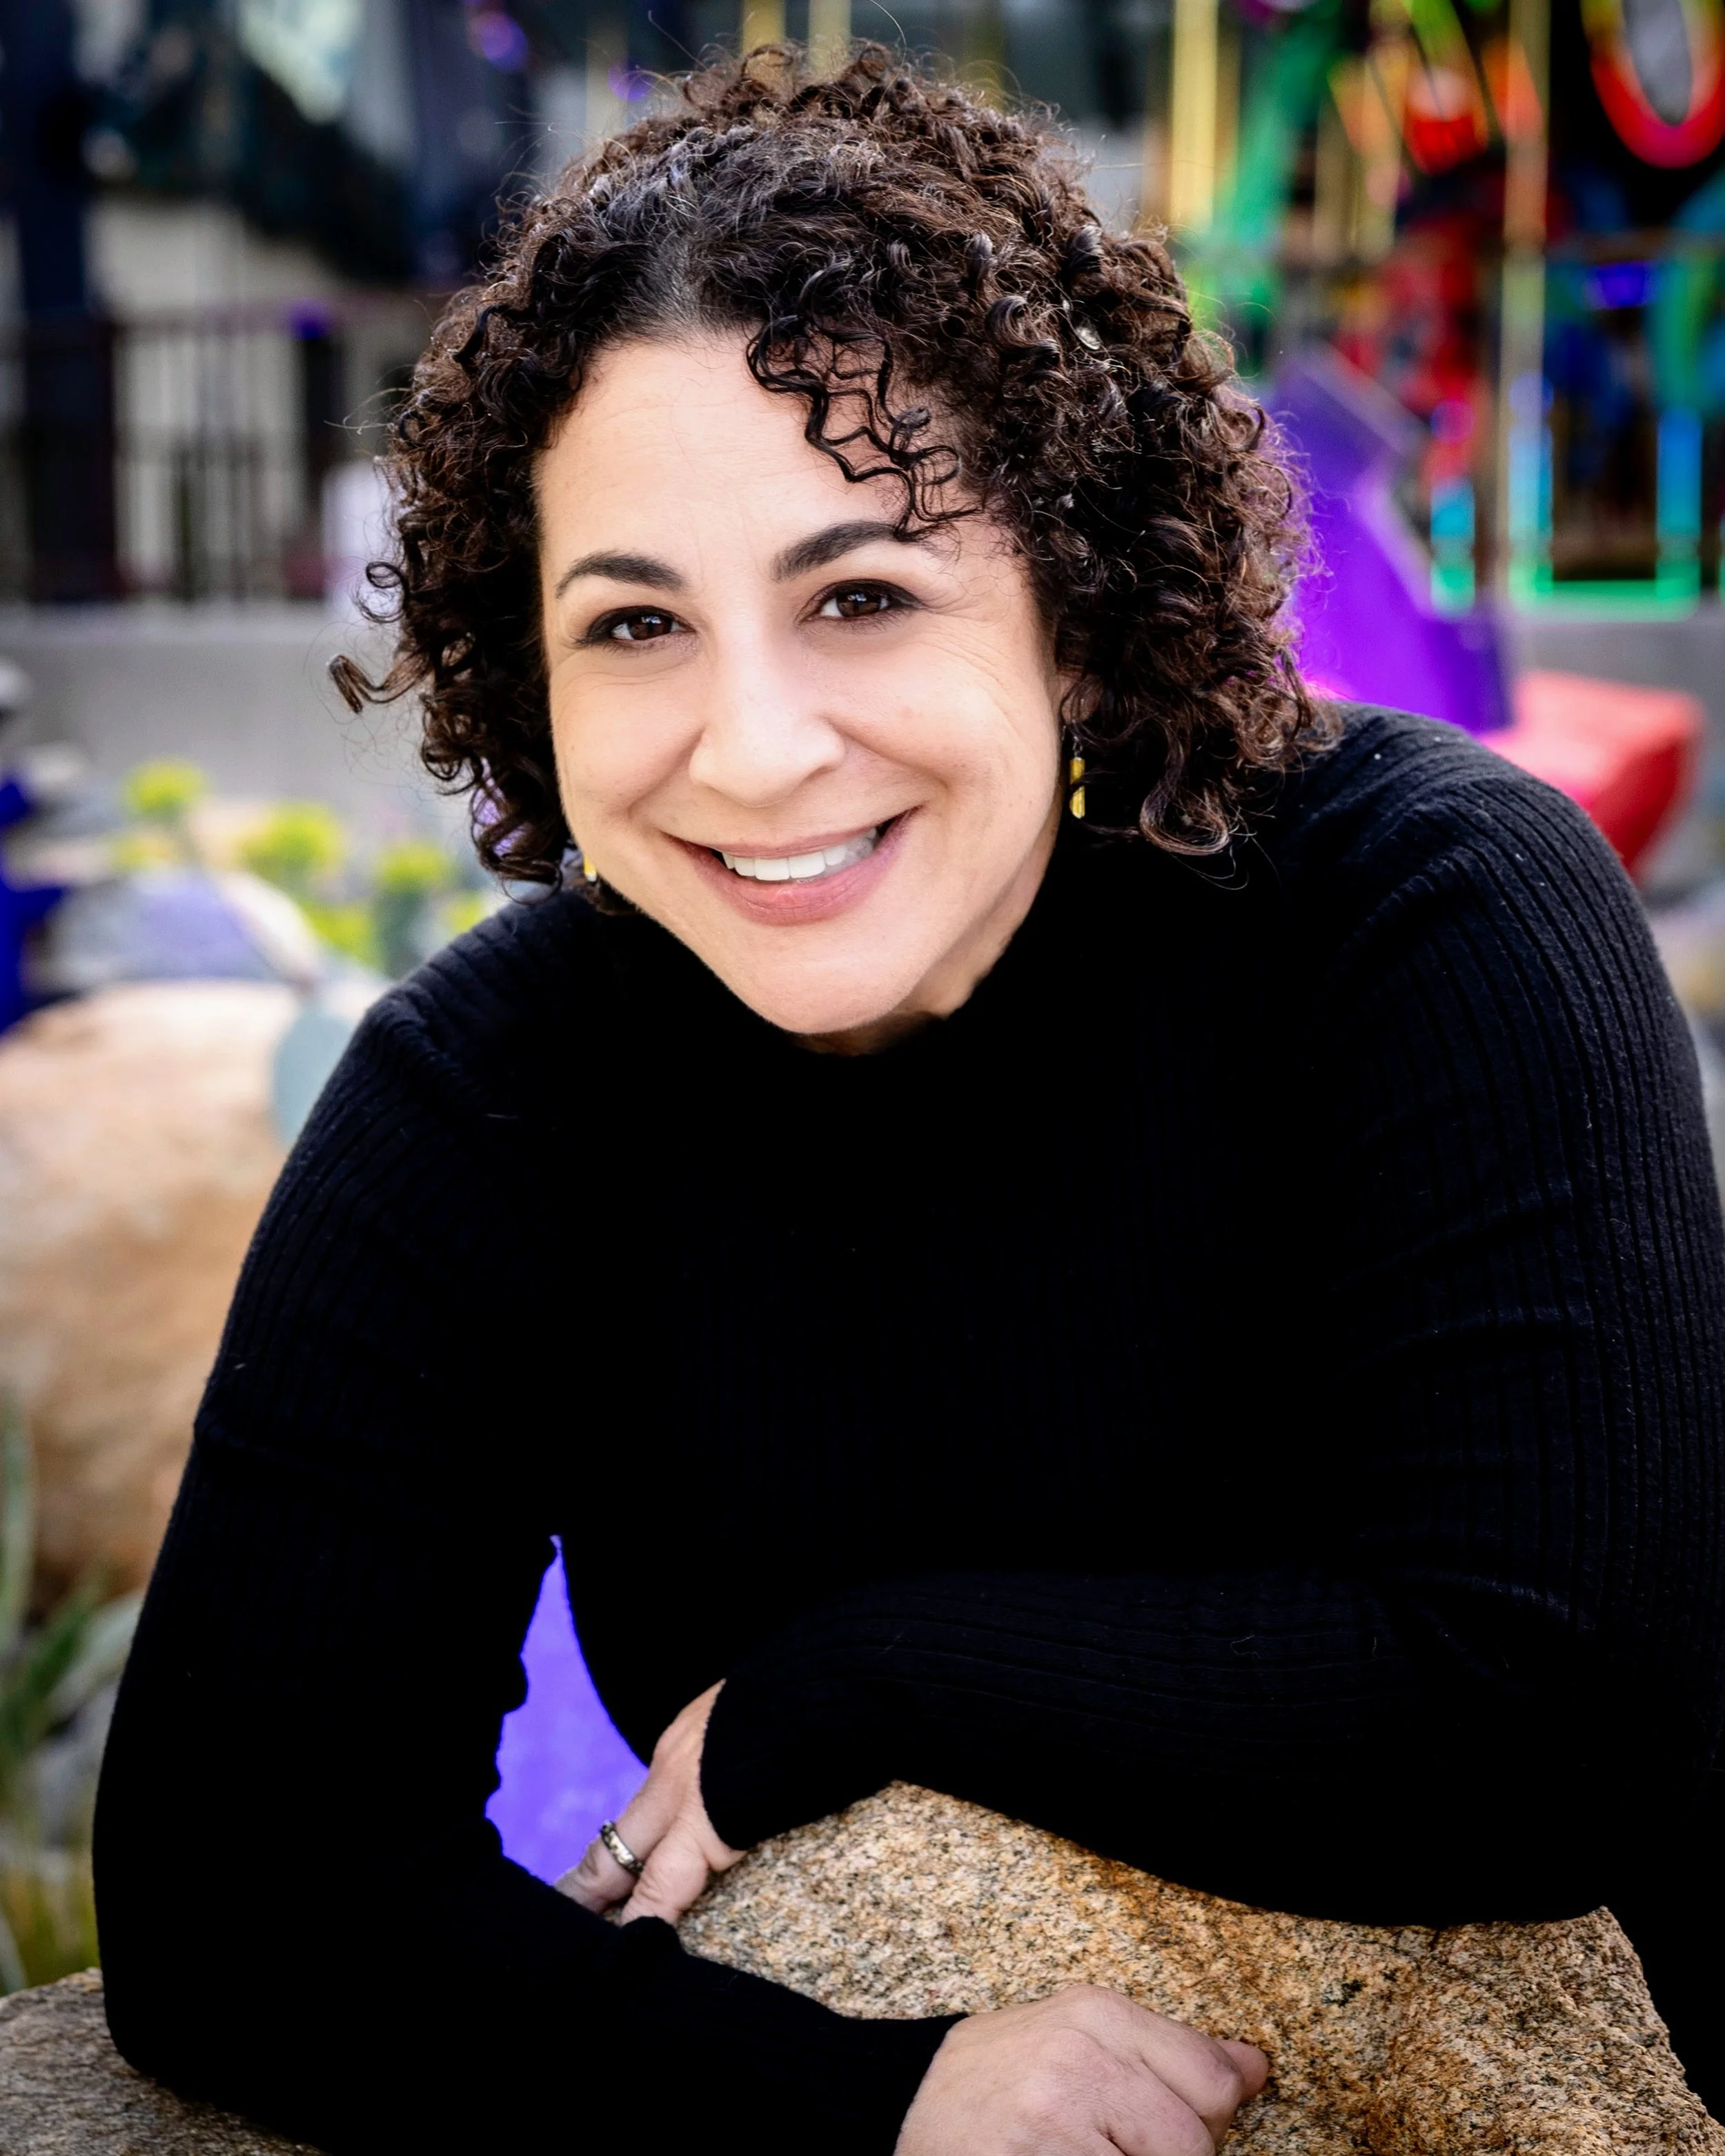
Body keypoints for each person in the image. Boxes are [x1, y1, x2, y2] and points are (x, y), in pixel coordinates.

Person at [95, 46, 1725, 2154]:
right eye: (636, 625)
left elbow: (1564, 1711)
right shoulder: (497, 1094)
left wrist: (855, 1680)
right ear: (530, 670)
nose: (753, 748)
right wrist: (861, 2104)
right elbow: (239, 1897)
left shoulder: (1420, 909)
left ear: (1064, 604)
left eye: (860, 592)